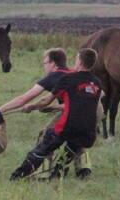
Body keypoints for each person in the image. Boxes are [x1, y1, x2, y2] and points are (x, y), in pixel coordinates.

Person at [7, 48, 103, 180]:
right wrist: (54, 107)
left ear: (80, 62)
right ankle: (64, 174)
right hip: (89, 132)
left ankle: (18, 176)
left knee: (42, 148)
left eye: (76, 59)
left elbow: (45, 100)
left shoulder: (68, 79)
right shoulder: (97, 83)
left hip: (67, 128)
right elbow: (81, 103)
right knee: (71, 149)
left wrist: (31, 106)